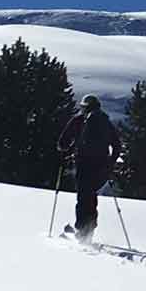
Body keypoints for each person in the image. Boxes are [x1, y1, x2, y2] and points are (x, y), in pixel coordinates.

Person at [56, 94, 125, 244]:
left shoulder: (79, 120)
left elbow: (62, 142)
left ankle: (82, 230)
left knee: (83, 197)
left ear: (84, 107)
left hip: (83, 164)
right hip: (101, 167)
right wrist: (110, 162)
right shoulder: (105, 122)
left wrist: (66, 151)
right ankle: (89, 230)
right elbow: (117, 146)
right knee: (91, 197)